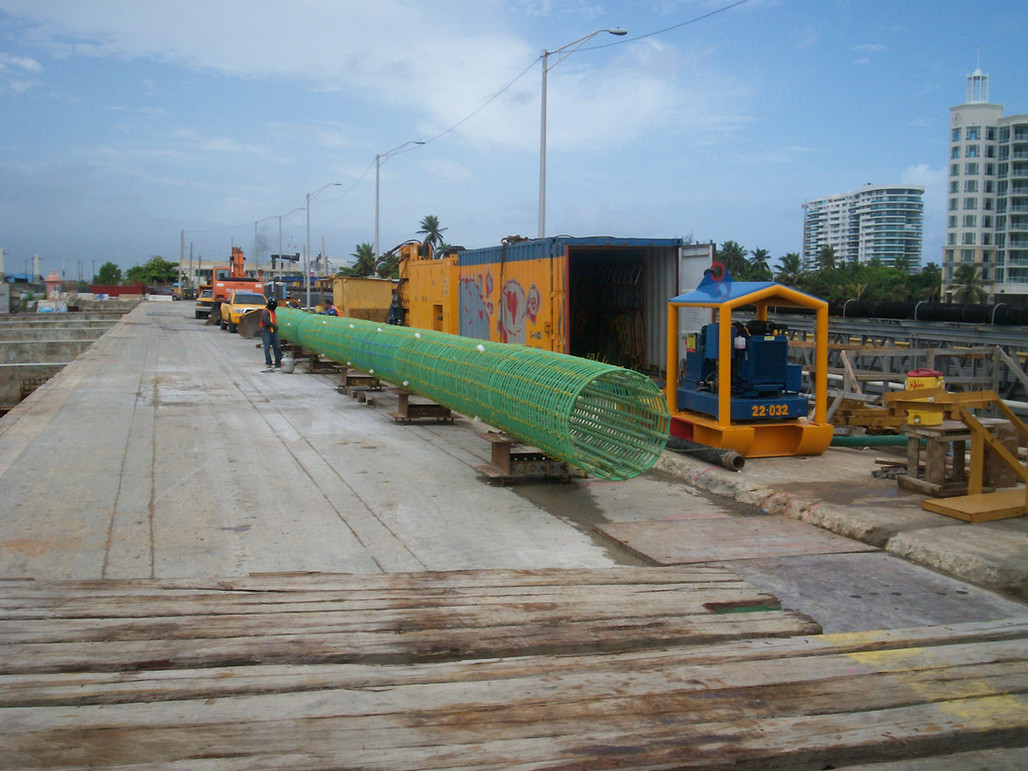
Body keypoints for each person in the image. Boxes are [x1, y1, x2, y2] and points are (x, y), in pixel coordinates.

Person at [260, 297, 282, 369]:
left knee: (277, 347)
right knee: (267, 347)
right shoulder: (265, 312)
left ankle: (278, 362)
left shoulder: (272, 311)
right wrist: (274, 326)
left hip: (274, 331)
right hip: (267, 331)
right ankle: (268, 362)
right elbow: (267, 322)